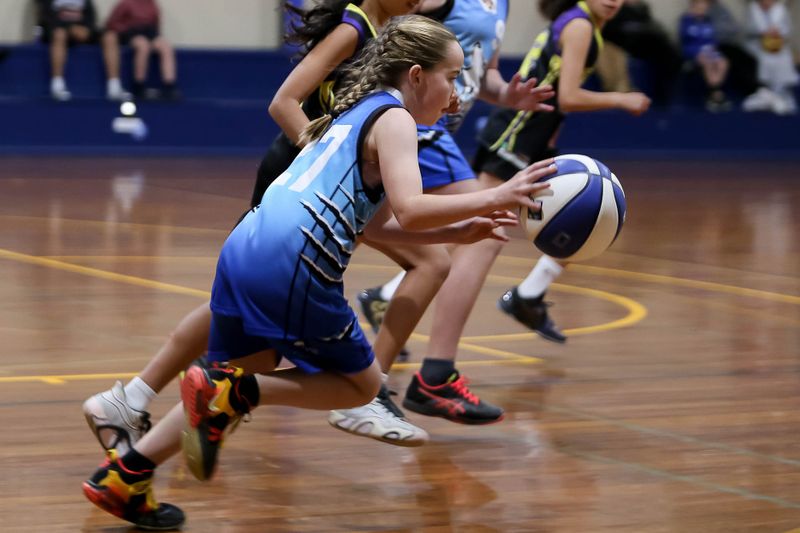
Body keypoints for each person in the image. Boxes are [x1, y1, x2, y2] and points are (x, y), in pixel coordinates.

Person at [82, 16, 556, 529]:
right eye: (451, 77)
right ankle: (235, 394)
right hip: (296, 262)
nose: (458, 92)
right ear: (417, 76)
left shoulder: (357, 111)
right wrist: (499, 192)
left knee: (244, 371)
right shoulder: (395, 120)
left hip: (248, 246)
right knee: (357, 389)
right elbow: (413, 207)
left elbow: (377, 227)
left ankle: (126, 476)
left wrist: (458, 232)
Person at [81, 0, 437, 462]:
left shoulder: (386, 35)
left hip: (316, 187)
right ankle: (365, 394)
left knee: (252, 343)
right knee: (429, 260)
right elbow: (283, 101)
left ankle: (139, 415)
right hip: (301, 184)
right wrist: (325, 157)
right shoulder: (354, 30)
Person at [333, 0, 557, 437]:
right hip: (414, 128)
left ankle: (231, 355)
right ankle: (429, 376)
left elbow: (480, 74)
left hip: (432, 131)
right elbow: (399, 33)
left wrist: (506, 95)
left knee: (345, 241)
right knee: (482, 226)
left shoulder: (502, 3)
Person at [472, 0, 650, 339]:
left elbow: (555, 93)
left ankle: (529, 295)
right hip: (517, 134)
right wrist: (620, 98)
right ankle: (391, 296)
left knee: (587, 215)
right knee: (477, 231)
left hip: (534, 136)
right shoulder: (580, 25)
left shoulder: (579, 22)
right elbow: (567, 96)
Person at [39, 0, 129, 101]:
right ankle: (57, 85)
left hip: (83, 28)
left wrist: (87, 29)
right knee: (59, 34)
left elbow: (90, 16)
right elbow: (46, 18)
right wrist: (69, 27)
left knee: (110, 36)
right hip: (58, 29)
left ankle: (114, 86)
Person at [104, 0, 180, 100]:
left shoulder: (152, 4)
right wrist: (127, 29)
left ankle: (169, 86)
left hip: (150, 33)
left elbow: (156, 23)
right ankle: (139, 85)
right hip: (131, 33)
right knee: (143, 45)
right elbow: (112, 23)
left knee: (166, 46)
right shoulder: (126, 3)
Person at [744, 0, 798, 115]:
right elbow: (748, 30)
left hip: (777, 43)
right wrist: (763, 32)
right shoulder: (753, 9)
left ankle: (780, 89)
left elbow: (788, 29)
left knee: (784, 55)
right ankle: (766, 89)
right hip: (757, 43)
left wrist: (778, 32)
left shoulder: (781, 9)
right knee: (765, 57)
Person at [678, 0, 732, 112]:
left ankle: (714, 92)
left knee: (723, 62)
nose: (702, 9)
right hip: (693, 51)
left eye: (704, 7)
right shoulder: (686, 20)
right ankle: (715, 94)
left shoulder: (708, 21)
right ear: (693, 6)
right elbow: (684, 39)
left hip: (709, 50)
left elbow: (712, 40)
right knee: (707, 62)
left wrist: (712, 48)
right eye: (699, 6)